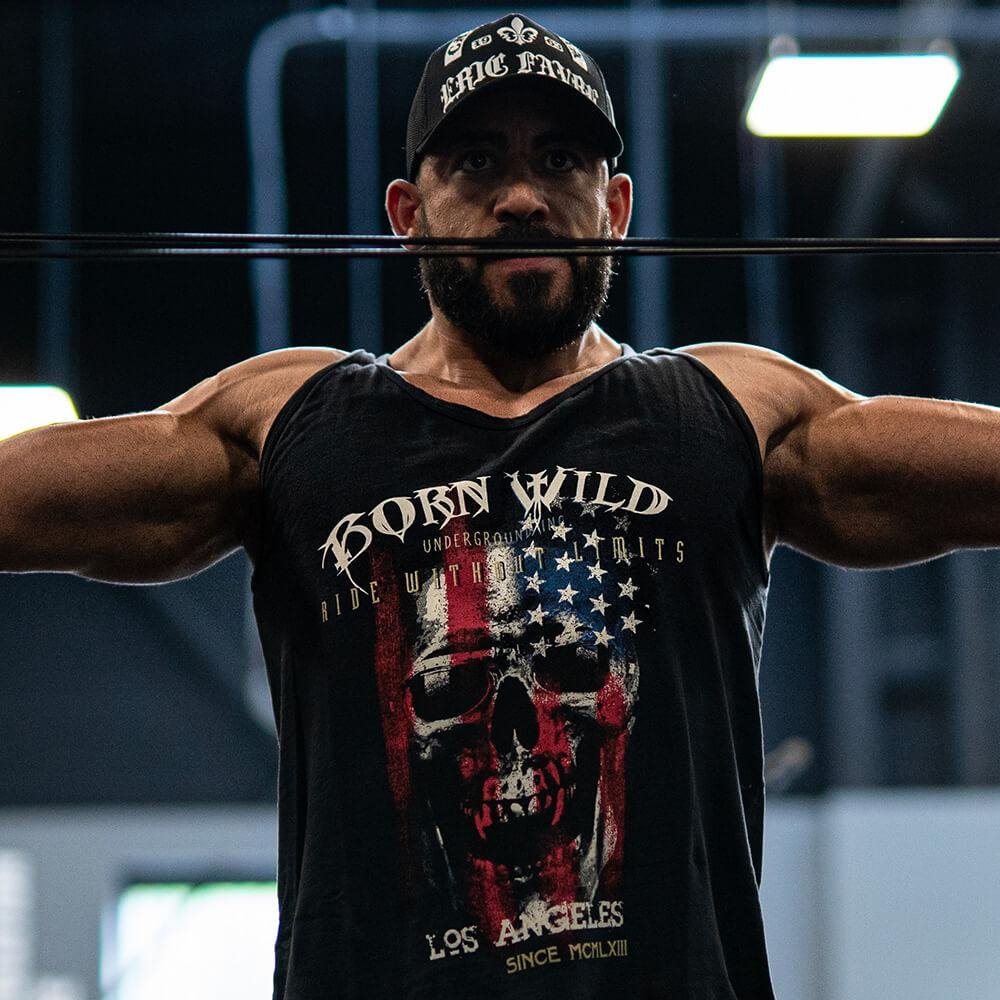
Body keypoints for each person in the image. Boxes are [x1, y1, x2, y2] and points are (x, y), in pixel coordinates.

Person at [1, 12, 994, 1000]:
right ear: (406, 213)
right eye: (476, 162)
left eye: (559, 160)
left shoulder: (730, 410)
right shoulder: (288, 421)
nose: (521, 197)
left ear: (614, 207)